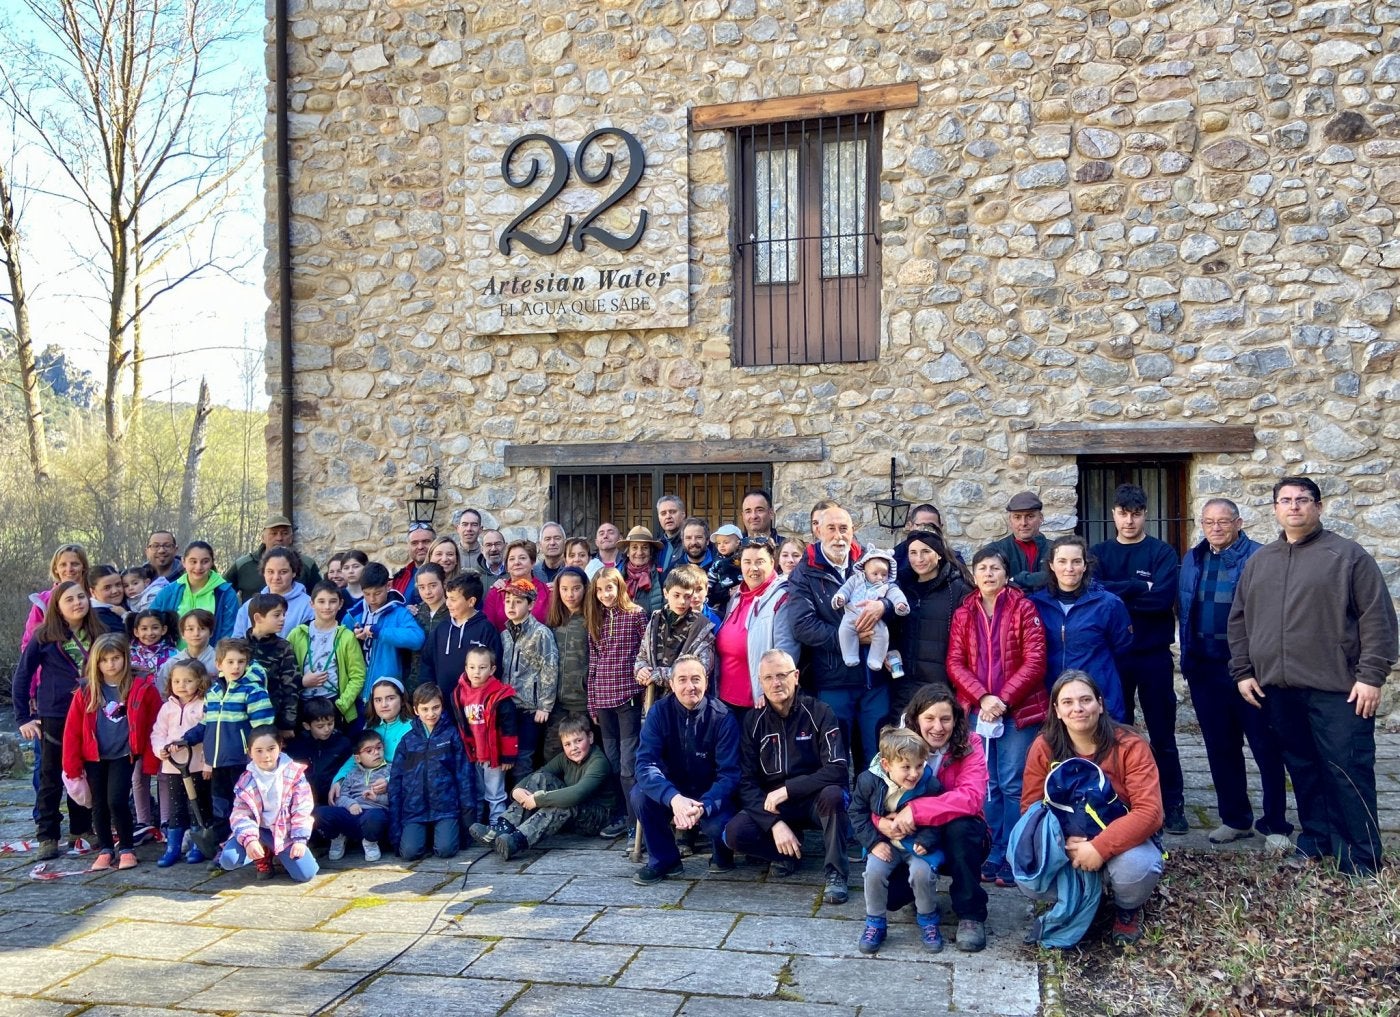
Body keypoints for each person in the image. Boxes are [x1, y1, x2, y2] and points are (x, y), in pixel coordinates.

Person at [1229, 476, 1398, 877]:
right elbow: (1239, 620)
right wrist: (1243, 671)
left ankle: (1361, 857)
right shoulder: (1261, 561)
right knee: (1303, 769)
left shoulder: (1348, 556)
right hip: (1279, 689)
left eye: (1302, 500)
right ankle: (1317, 842)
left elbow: (1378, 619)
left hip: (1339, 688)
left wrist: (1371, 676)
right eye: (1285, 500)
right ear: (1274, 509)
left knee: (1346, 770)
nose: (1294, 507)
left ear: (1318, 507)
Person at [1020, 671, 1166, 946]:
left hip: (1123, 841)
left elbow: (1150, 812)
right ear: (1057, 711)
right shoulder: (1044, 746)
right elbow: (1031, 808)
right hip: (1070, 842)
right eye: (1068, 702)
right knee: (1028, 877)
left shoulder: (1130, 745)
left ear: (1100, 704)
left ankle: (1126, 909)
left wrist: (1099, 847)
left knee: (1136, 869)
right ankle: (1082, 896)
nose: (1078, 708)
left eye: (1086, 700)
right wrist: (1060, 840)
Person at [1178, 498, 1292, 846]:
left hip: (1250, 671)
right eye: (1209, 521)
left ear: (1238, 523)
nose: (1215, 528)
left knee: (1265, 746)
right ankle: (1235, 818)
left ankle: (1274, 824)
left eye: (1223, 522)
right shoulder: (1193, 558)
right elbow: (1185, 607)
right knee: (1219, 746)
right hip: (1205, 669)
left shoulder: (1260, 557)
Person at [947, 546, 1047, 886]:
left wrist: (1002, 699)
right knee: (985, 782)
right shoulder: (964, 613)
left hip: (1016, 711)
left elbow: (1035, 661)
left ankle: (1012, 851)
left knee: (1012, 782)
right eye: (982, 569)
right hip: (979, 711)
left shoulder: (1023, 608)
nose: (989, 574)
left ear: (1006, 574)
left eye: (995, 568)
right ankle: (990, 849)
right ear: (974, 576)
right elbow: (955, 662)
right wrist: (982, 697)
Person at [1091, 483, 1187, 835]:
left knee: (1163, 734)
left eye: (1135, 513)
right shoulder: (1099, 553)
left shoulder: (1161, 552)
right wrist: (1137, 587)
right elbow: (1096, 595)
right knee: (1115, 732)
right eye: (1122, 513)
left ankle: (1172, 804)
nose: (1129, 520)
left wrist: (1121, 592)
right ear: (1113, 514)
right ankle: (1121, 802)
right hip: (1114, 658)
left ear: (1145, 514)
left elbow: (1162, 601)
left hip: (1153, 656)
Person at [723, 649, 851, 904]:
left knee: (834, 795)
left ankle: (836, 874)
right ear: (760, 682)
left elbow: (837, 768)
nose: (776, 683)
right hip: (775, 806)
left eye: (782, 675)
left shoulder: (820, 711)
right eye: (768, 678)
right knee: (734, 833)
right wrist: (773, 823)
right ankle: (787, 855)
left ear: (796, 676)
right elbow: (746, 782)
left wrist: (790, 789)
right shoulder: (753, 720)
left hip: (815, 799)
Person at [787, 504, 892, 766]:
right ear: (818, 531)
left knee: (878, 756)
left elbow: (895, 595)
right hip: (834, 680)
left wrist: (885, 606)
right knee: (836, 757)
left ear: (853, 531)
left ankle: (876, 807)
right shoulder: (805, 572)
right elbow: (802, 625)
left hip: (874, 680)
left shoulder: (871, 561)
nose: (838, 536)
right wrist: (852, 638)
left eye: (844, 528)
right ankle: (840, 807)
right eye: (831, 529)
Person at [890, 683, 992, 952]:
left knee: (962, 827)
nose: (938, 727)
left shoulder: (971, 744)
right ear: (915, 719)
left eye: (946, 718)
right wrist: (884, 824)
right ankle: (918, 890)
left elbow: (971, 797)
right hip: (914, 835)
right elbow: (873, 793)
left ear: (956, 720)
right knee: (890, 897)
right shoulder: (897, 745)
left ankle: (971, 914)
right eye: (930, 718)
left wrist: (917, 809)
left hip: (961, 835)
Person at [13, 580, 103, 860]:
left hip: (92, 711)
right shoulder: (44, 636)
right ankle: (47, 835)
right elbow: (23, 676)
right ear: (57, 607)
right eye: (69, 600)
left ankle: (81, 829)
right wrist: (23, 718)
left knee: (85, 772)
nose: (77, 603)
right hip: (54, 713)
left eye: (80, 597)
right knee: (51, 776)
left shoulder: (99, 632)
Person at [630, 655, 741, 883]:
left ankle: (722, 854)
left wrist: (704, 806)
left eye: (696, 679)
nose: (690, 686)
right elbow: (645, 764)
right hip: (673, 792)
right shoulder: (659, 713)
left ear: (706, 682)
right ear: (671, 684)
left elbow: (729, 775)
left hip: (710, 796)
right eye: (682, 680)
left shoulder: (723, 717)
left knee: (718, 824)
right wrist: (674, 798)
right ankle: (664, 860)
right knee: (639, 795)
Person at [62, 632, 161, 871]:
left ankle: (126, 848)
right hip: (94, 756)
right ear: (96, 663)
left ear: (125, 658)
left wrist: (150, 760)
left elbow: (154, 724)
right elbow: (72, 730)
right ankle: (106, 848)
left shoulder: (142, 687)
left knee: (116, 800)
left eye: (116, 658)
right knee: (99, 804)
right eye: (104, 660)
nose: (111, 664)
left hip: (123, 754)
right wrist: (71, 766)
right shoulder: (86, 691)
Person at [850, 726, 946, 954]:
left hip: (916, 844)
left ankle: (928, 919)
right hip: (884, 843)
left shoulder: (930, 785)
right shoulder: (868, 781)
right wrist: (873, 843)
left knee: (922, 874)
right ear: (886, 765)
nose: (914, 773)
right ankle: (875, 922)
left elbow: (938, 818)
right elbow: (856, 813)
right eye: (906, 767)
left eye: (920, 766)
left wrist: (926, 840)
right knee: (873, 873)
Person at [174, 637, 276, 848]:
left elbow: (263, 729)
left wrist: (255, 753)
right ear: (219, 664)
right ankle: (223, 846)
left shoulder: (253, 691)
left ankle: (249, 845)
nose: (236, 667)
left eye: (240, 661)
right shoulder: (213, 693)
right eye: (230, 662)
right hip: (218, 762)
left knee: (245, 805)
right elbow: (206, 724)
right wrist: (186, 739)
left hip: (242, 761)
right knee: (220, 806)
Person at [1028, 535, 1131, 722]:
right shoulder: (1034, 605)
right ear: (1051, 565)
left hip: (1097, 695)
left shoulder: (1108, 604)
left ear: (1085, 565)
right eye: (1062, 561)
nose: (1069, 568)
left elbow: (1122, 649)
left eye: (1076, 561)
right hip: (1052, 696)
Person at [488, 713, 617, 860]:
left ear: (591, 738)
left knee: (563, 801)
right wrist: (516, 790)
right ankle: (503, 827)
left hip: (599, 818)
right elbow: (540, 773)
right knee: (541, 778)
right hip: (575, 813)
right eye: (567, 744)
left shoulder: (598, 761)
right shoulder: (564, 758)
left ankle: (518, 840)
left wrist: (537, 800)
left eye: (578, 741)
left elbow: (577, 793)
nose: (573, 748)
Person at [584, 568, 649, 840]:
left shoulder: (636, 615)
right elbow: (594, 662)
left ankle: (637, 822)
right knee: (611, 761)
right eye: (599, 590)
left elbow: (645, 653)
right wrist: (592, 703)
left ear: (620, 588)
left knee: (628, 762)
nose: (605, 595)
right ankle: (621, 816)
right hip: (603, 700)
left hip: (628, 697)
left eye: (609, 589)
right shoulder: (596, 619)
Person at [217, 728, 319, 882]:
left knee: (305, 874)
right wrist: (250, 840)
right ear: (250, 752)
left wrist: (300, 839)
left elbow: (302, 808)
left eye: (271, 749)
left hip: (284, 831)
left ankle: (278, 852)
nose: (266, 756)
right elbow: (240, 813)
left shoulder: (295, 773)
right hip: (258, 830)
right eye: (259, 751)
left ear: (280, 746)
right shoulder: (246, 780)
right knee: (229, 860)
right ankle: (261, 853)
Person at [891, 528, 972, 722]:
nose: (919, 558)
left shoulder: (959, 590)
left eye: (925, 552)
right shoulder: (899, 588)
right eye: (913, 553)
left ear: (938, 555)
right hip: (903, 684)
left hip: (941, 686)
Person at [390, 683, 475, 860]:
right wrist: (396, 831)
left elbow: (464, 776)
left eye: (435, 707)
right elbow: (396, 781)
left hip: (446, 808)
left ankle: (441, 834)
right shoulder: (407, 741)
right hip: (414, 810)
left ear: (442, 706)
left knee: (446, 850)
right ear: (415, 710)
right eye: (425, 709)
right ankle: (423, 836)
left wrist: (467, 823)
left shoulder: (452, 735)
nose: (431, 714)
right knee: (409, 853)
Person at [715, 538, 797, 724]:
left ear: (772, 563)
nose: (753, 568)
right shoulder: (737, 596)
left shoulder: (781, 598)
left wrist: (771, 692)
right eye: (747, 562)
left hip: (758, 702)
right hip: (726, 699)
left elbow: (786, 651)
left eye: (760, 562)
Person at [151, 657, 212, 866]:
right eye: (177, 681)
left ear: (200, 681)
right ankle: (173, 848)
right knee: (176, 808)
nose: (182, 686)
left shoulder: (205, 705)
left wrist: (207, 763)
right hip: (173, 768)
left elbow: (208, 736)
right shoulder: (167, 708)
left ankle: (198, 845)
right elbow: (158, 733)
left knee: (198, 806)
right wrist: (161, 750)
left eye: (188, 681)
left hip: (196, 768)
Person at [454, 646, 519, 837]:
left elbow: (509, 728)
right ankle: (480, 825)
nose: (476, 672)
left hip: (493, 754)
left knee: (495, 792)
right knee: (478, 789)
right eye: (472, 667)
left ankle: (496, 825)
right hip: (473, 752)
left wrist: (508, 755)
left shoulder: (499, 695)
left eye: (482, 668)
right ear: (465, 668)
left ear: (492, 669)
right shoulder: (460, 693)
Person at [499, 578, 559, 782]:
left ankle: (522, 806)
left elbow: (549, 668)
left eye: (518, 601)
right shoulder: (504, 635)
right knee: (506, 758)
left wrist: (545, 705)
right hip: (508, 708)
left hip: (530, 709)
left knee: (524, 759)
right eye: (508, 601)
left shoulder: (541, 633)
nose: (511, 606)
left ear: (531, 604)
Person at [288, 581, 367, 726]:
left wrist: (341, 704)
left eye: (332, 602)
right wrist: (302, 682)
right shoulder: (296, 634)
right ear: (312, 604)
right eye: (321, 601)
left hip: (333, 702)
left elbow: (358, 675)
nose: (327, 607)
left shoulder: (346, 636)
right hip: (302, 703)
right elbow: (286, 672)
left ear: (340, 604)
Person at [344, 563, 426, 697]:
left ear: (388, 586)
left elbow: (417, 638)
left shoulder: (400, 613)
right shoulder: (352, 616)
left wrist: (380, 632)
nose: (372, 599)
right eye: (367, 594)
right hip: (355, 692)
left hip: (388, 693)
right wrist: (353, 637)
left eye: (377, 593)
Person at [832, 546, 909, 678]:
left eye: (884, 574)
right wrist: (840, 598)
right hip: (852, 613)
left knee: (883, 635)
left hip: (875, 620)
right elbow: (845, 590)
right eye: (875, 573)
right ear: (865, 571)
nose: (880, 577)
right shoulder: (855, 580)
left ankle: (876, 659)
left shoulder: (887, 586)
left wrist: (900, 604)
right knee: (844, 631)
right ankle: (850, 655)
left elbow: (896, 595)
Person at [315, 730, 391, 863]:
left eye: (379, 748)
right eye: (369, 750)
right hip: (351, 812)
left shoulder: (389, 771)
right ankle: (337, 837)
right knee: (320, 813)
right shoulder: (351, 773)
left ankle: (370, 842)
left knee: (375, 818)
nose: (376, 752)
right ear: (357, 758)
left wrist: (377, 798)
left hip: (374, 813)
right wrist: (351, 804)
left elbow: (396, 798)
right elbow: (340, 796)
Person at [636, 569, 717, 692]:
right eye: (676, 595)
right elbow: (642, 655)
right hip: (653, 696)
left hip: (686, 697)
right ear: (666, 593)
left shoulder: (701, 625)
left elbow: (702, 668)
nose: (682, 602)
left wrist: (660, 675)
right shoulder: (655, 620)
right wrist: (641, 669)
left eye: (687, 596)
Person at [418, 574, 501, 692]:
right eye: (447, 598)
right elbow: (427, 663)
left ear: (471, 601)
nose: (447, 603)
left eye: (453, 599)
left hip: (474, 705)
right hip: (442, 704)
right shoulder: (441, 629)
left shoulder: (486, 629)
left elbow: (495, 669)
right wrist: (429, 693)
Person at [151, 541, 241, 643]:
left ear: (212, 562)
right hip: (173, 657)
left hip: (211, 657)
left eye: (205, 561)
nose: (198, 567)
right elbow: (151, 622)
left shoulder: (226, 594)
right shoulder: (169, 592)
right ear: (184, 562)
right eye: (193, 561)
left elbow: (228, 634)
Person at [225, 515, 321, 603]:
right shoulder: (243, 565)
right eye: (273, 533)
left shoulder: (307, 564)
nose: (279, 538)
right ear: (263, 538)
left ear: (291, 538)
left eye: (284, 533)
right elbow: (221, 593)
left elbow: (322, 595)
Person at [545, 566, 590, 756]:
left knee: (582, 753)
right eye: (564, 589)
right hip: (557, 702)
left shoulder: (592, 619)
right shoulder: (555, 620)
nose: (570, 594)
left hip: (583, 702)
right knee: (552, 752)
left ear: (585, 588)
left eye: (576, 588)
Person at [244, 593, 302, 739]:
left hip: (272, 719)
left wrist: (287, 724)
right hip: (241, 718)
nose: (283, 619)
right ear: (258, 618)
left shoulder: (283, 647)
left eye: (283, 614)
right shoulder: (239, 647)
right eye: (277, 615)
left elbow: (291, 687)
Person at [232, 548, 314, 637]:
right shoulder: (249, 606)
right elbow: (237, 641)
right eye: (270, 571)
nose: (276, 577)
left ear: (294, 572)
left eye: (283, 572)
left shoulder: (308, 606)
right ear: (264, 573)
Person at [286, 697, 353, 807]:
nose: (327, 729)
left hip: (334, 801)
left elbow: (351, 769)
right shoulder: (296, 747)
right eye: (320, 726)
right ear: (307, 726)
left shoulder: (343, 744)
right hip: (303, 801)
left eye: (330, 723)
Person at [988, 491, 1050, 592]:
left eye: (1030, 516)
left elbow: (1057, 578)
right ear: (1010, 520)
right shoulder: (995, 550)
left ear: (1041, 518)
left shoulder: (1056, 549)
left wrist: (1018, 579)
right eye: (1017, 517)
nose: (1023, 523)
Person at [483, 540, 552, 629]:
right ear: (507, 566)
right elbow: (488, 627)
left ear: (533, 562)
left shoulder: (547, 592)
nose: (517, 562)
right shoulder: (496, 592)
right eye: (512, 559)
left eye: (522, 558)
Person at [409, 562, 450, 689]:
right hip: (416, 686)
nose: (427, 592)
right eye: (422, 587)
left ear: (443, 584)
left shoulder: (454, 613)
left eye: (432, 586)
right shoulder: (415, 614)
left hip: (445, 684)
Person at [159, 610, 219, 693]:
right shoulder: (172, 663)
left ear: (211, 632)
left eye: (202, 628)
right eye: (190, 629)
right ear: (182, 634)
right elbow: (163, 692)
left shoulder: (220, 660)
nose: (196, 634)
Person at [616, 526, 666, 614]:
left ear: (650, 552)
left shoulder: (661, 577)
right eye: (634, 547)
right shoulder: (617, 577)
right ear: (628, 552)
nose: (639, 552)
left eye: (645, 547)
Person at [390, 522, 435, 605]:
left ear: (435, 544)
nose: (420, 547)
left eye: (426, 541)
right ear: (408, 546)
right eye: (414, 543)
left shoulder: (445, 573)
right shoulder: (400, 577)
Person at [892, 503, 943, 576]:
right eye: (920, 525)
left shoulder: (954, 560)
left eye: (931, 526)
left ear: (940, 528)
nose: (926, 530)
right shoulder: (896, 556)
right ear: (911, 526)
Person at [705, 525, 744, 611]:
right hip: (723, 595)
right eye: (719, 543)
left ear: (737, 543)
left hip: (741, 593)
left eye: (726, 542)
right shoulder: (718, 561)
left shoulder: (743, 558)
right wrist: (708, 587)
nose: (722, 546)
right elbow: (712, 575)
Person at [655, 495, 687, 572]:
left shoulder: (692, 543)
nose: (668, 516)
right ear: (659, 518)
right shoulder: (657, 547)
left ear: (683, 514)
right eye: (663, 513)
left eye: (672, 512)